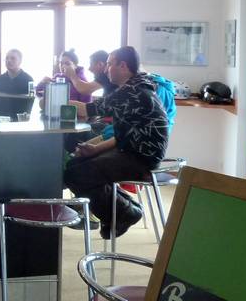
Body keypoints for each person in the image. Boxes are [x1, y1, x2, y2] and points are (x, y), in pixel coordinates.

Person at [64, 46, 169, 239]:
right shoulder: (136, 87)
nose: (106, 69)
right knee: (74, 165)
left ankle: (124, 212)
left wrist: (56, 100)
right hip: (133, 151)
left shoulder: (132, 92)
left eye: (110, 64)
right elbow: (125, 134)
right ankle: (125, 208)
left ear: (123, 66)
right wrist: (95, 149)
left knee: (75, 173)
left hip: (141, 158)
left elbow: (87, 109)